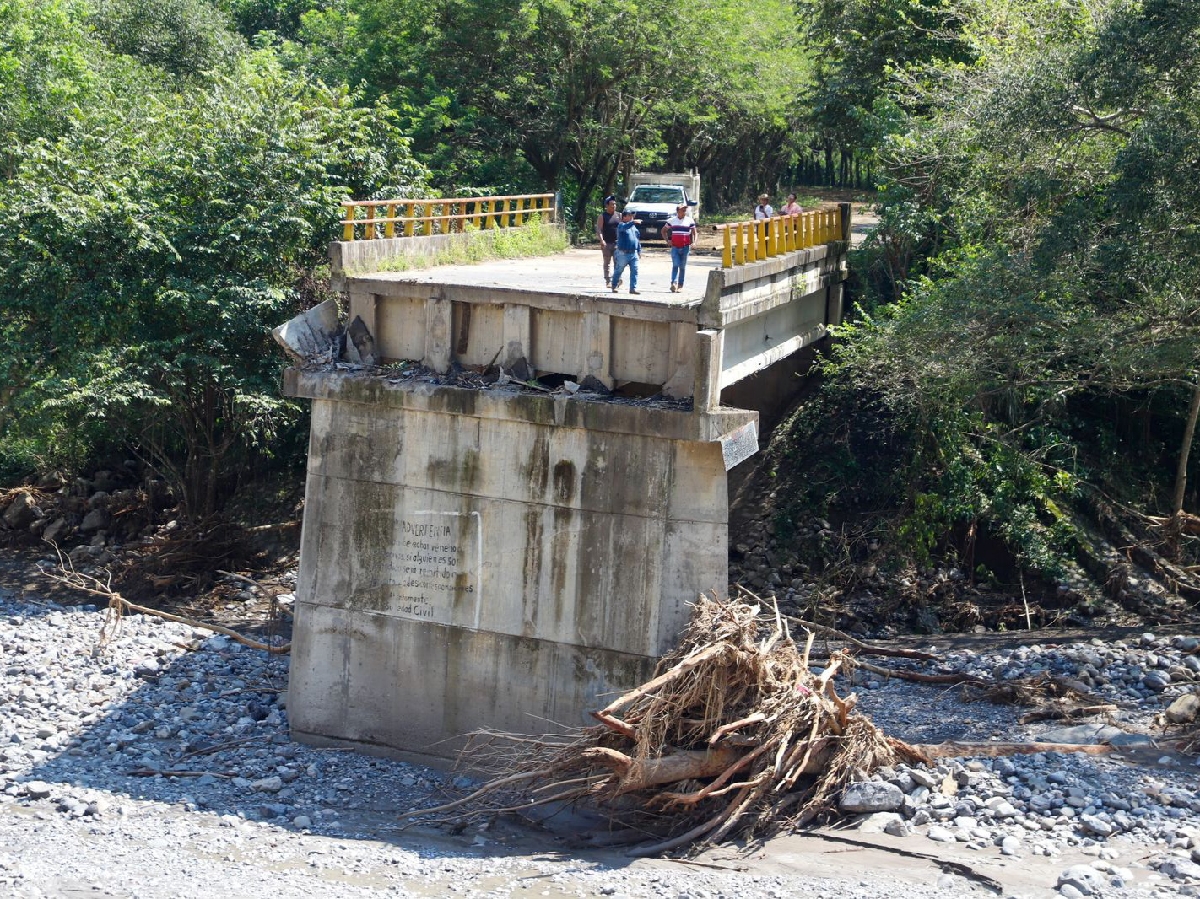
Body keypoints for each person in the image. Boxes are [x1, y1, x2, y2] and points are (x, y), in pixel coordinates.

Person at [661, 202, 697, 293]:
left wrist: (694, 242)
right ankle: (674, 283)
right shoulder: (672, 220)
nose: (684, 211)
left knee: (682, 267)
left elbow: (694, 232)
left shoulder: (690, 220)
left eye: (685, 210)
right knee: (675, 265)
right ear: (678, 211)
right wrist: (667, 240)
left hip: (685, 247)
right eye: (682, 210)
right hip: (675, 246)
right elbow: (663, 231)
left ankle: (680, 285)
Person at [611, 208, 641, 295]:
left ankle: (633, 288)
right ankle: (614, 285)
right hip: (623, 253)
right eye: (629, 215)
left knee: (635, 271)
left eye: (632, 215)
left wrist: (639, 250)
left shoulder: (633, 227)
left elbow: (637, 239)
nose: (631, 217)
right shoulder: (621, 225)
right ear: (624, 217)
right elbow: (624, 228)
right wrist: (633, 222)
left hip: (633, 253)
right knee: (619, 270)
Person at [595, 195, 621, 287]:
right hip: (607, 243)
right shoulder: (602, 216)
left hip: (617, 243)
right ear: (606, 205)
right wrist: (602, 241)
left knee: (618, 263)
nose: (613, 206)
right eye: (611, 204)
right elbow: (599, 229)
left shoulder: (619, 215)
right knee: (607, 263)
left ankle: (617, 279)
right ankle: (608, 280)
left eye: (614, 204)